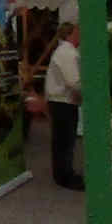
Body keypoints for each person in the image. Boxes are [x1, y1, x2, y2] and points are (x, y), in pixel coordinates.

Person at [42, 17, 83, 188]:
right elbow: (74, 81)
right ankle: (65, 177)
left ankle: (63, 174)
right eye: (78, 31)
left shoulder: (65, 51)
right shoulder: (68, 53)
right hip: (62, 103)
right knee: (64, 142)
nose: (81, 34)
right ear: (70, 34)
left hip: (61, 102)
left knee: (62, 141)